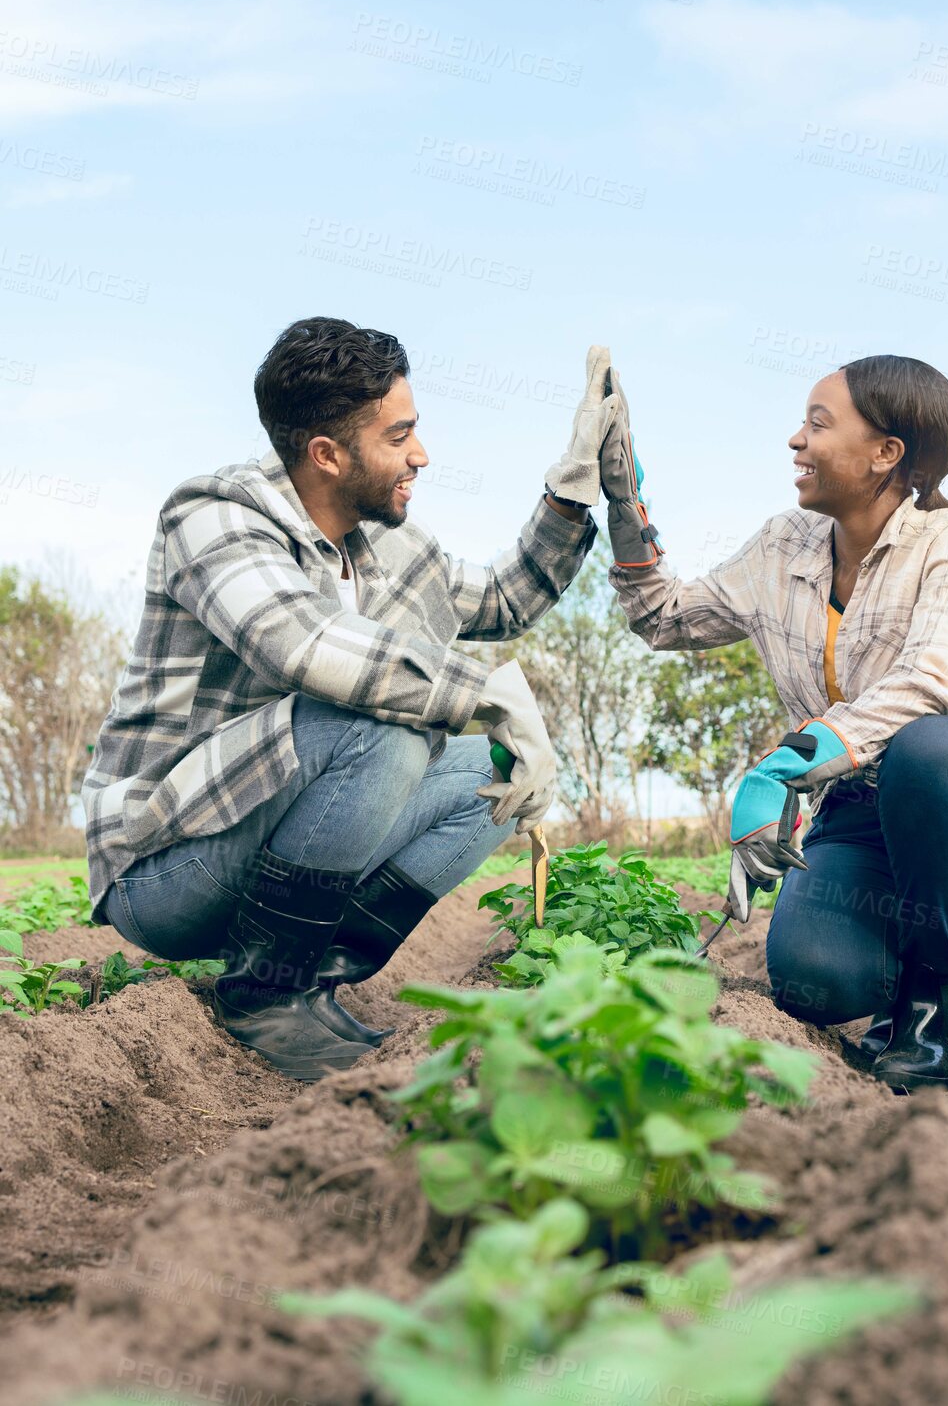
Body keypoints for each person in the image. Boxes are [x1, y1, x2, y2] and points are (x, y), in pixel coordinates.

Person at [83, 318, 617, 1082]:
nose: (421, 455)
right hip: (164, 865)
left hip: (268, 843)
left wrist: (570, 492)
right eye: (400, 437)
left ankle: (310, 976)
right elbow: (301, 645)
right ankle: (261, 993)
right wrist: (483, 689)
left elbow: (504, 597)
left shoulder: (385, 546)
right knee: (385, 725)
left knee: (481, 773)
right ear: (327, 455)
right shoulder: (213, 516)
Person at [599, 354, 948, 1091]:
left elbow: (931, 682)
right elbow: (665, 618)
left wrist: (786, 762)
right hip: (858, 818)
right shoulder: (784, 545)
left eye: (819, 424)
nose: (796, 441)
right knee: (811, 976)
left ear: (887, 454)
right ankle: (887, 968)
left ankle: (921, 1008)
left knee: (931, 745)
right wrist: (625, 509)